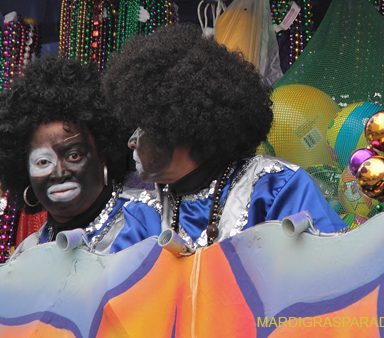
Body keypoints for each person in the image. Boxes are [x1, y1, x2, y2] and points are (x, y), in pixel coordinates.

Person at [102, 23, 346, 249]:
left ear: (179, 127)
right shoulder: (143, 215)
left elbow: (329, 272)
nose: (131, 141)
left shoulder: (274, 187)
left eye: (144, 126)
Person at [0, 56, 161, 255]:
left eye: (74, 155)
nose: (59, 173)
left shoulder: (149, 219)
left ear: (101, 153)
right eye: (43, 161)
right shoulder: (29, 252)